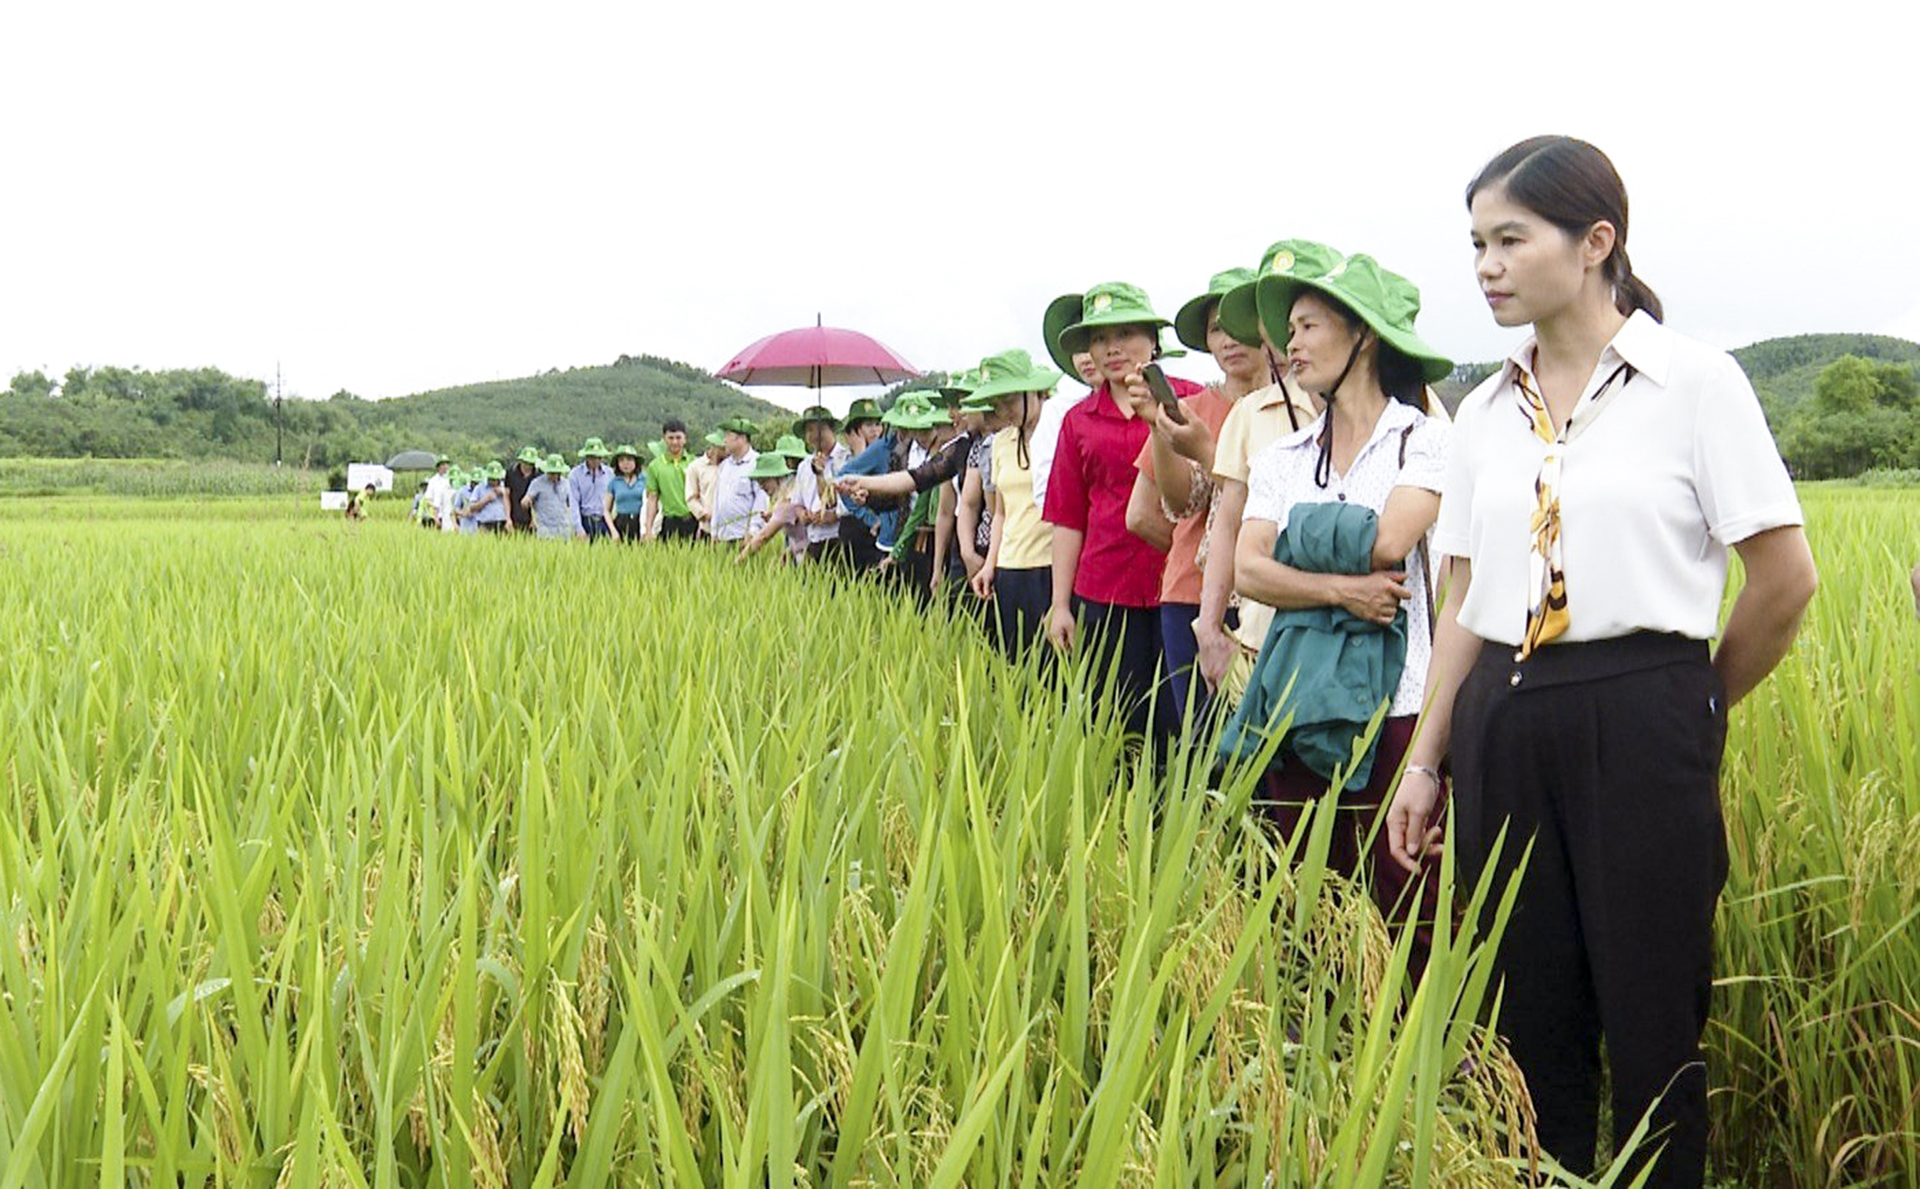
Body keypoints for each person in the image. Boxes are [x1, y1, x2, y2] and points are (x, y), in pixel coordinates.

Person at [1383, 136, 1818, 1189]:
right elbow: (1468, 604)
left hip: (1645, 708)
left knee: (1655, 1015)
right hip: (1503, 717)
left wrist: (1696, 701)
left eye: (1509, 239)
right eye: (1476, 243)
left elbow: (1786, 576)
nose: (1485, 264)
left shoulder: (1694, 384)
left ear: (1595, 244)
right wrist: (1426, 758)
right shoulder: (1483, 414)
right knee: (1532, 1015)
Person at [1220, 252, 1453, 950]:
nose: (1290, 344)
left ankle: (1421, 1048)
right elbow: (1247, 568)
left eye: (1307, 325)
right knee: (1302, 893)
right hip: (1298, 699)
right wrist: (1343, 592)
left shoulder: (1427, 439)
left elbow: (1391, 540)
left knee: (1403, 887)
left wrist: (1296, 540)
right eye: (1288, 329)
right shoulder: (1283, 457)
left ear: (1365, 336)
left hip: (1402, 703)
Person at [1042, 282, 1202, 740]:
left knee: (1183, 720)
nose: (1111, 349)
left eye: (1125, 333)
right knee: (1115, 720)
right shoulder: (1079, 421)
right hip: (1105, 592)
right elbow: (1068, 517)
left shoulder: (1188, 402)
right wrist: (1059, 605)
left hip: (1182, 589)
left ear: (1153, 341)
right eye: (1099, 338)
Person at [1198, 241, 1339, 703]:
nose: (1282, 339)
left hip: (1358, 648)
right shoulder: (1250, 414)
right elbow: (1228, 523)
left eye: (1299, 322)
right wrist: (1211, 624)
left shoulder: (1401, 410)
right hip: (1262, 643)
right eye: (1271, 324)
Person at [1123, 267, 1260, 727]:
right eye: (1217, 329)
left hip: (1268, 593)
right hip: (1190, 592)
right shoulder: (1192, 408)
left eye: (1239, 325)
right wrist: (1157, 425)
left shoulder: (1293, 408)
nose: (1229, 339)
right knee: (1200, 745)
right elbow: (1176, 504)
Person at [965, 350, 1061, 655]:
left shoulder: (1060, 432)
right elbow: (1001, 515)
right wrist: (990, 566)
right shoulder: (999, 444)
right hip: (1010, 570)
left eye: (1008, 400)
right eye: (997, 403)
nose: (1002, 411)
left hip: (1050, 567)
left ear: (1035, 391)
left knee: (1054, 669)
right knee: (1015, 665)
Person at [833, 398, 893, 568]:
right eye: (868, 425)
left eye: (878, 424)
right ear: (855, 431)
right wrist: (861, 454)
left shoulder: (885, 453)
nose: (875, 430)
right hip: (852, 525)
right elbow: (842, 490)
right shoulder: (841, 458)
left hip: (881, 523)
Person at [736, 452, 806, 563]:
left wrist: (739, 561)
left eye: (765, 481)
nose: (762, 486)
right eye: (759, 482)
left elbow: (763, 537)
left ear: (777, 478)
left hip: (808, 558)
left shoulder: (786, 502)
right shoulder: (793, 494)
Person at [709, 417, 760, 545]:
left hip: (743, 536)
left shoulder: (757, 464)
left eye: (728, 435)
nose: (724, 440)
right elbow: (717, 500)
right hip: (722, 536)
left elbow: (760, 501)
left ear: (742, 438)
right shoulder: (724, 466)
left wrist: (753, 532)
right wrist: (714, 531)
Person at [644, 420, 698, 540]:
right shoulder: (655, 466)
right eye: (670, 438)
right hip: (670, 522)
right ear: (664, 439)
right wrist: (648, 529)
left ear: (685, 439)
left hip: (693, 520)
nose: (674, 442)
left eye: (678, 438)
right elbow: (652, 499)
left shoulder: (694, 463)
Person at [522, 454, 585, 540]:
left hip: (563, 531)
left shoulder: (566, 484)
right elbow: (527, 498)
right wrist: (526, 501)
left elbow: (573, 504)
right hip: (545, 531)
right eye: (552, 473)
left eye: (557, 473)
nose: (555, 476)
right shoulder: (537, 483)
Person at [569, 439, 615, 541]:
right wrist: (578, 528)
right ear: (586, 457)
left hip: (604, 521)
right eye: (592, 457)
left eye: (599, 457)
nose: (596, 461)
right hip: (585, 520)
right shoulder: (575, 475)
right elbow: (574, 503)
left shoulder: (610, 474)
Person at [685, 430, 725, 538]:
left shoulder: (731, 466)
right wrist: (703, 513)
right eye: (724, 449)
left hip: (730, 529)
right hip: (707, 528)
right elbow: (691, 498)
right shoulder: (695, 467)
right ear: (715, 447)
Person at [606, 444, 648, 542]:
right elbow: (606, 510)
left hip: (640, 522)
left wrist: (647, 529)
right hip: (621, 523)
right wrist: (613, 531)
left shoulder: (645, 480)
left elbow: (652, 504)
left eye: (629, 459)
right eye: (621, 460)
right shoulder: (614, 482)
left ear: (635, 462)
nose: (625, 464)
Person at [506, 448, 541, 532]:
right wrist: (507, 518)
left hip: (532, 523)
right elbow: (506, 496)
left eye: (530, 463)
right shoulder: (511, 473)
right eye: (525, 462)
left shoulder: (538, 475)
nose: (527, 466)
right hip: (514, 517)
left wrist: (535, 518)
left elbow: (541, 500)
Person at [474, 463, 510, 533]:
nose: (494, 482)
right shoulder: (479, 488)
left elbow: (509, 504)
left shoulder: (504, 487)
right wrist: (485, 500)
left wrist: (504, 493)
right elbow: (472, 508)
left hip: (502, 523)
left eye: (496, 479)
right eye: (492, 479)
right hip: (485, 524)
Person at [423, 456, 457, 531]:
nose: (445, 467)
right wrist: (437, 506)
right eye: (443, 464)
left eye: (446, 464)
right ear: (438, 467)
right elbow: (428, 499)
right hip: (438, 515)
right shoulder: (433, 481)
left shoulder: (451, 479)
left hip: (451, 515)